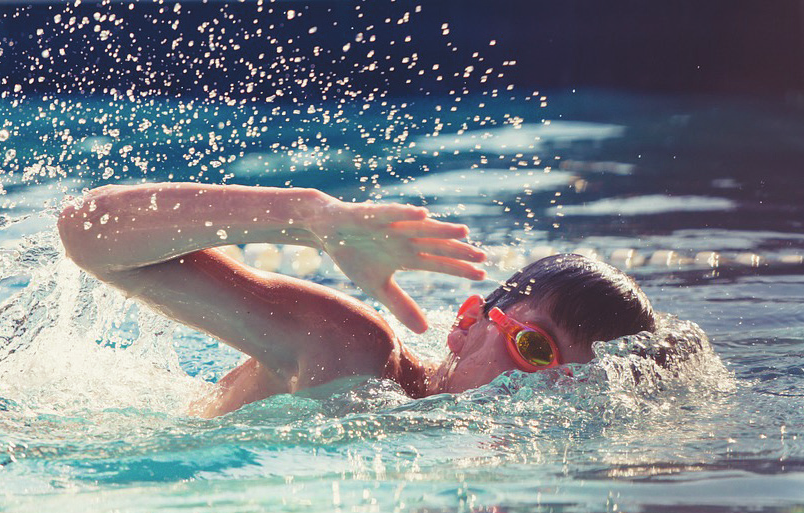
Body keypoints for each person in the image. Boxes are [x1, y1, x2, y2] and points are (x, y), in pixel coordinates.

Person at [57, 183, 656, 417]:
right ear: (467, 323)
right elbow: (87, 233)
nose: (537, 393)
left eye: (572, 386)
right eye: (533, 348)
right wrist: (306, 218)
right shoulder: (352, 352)